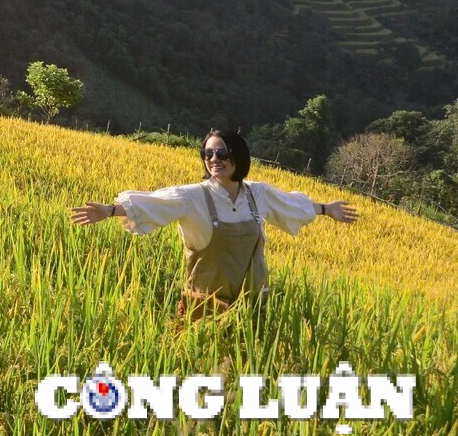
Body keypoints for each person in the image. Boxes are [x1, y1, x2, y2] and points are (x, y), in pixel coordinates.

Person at [70, 129, 359, 317]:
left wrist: (325, 209)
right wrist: (110, 211)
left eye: (221, 153)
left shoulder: (257, 193)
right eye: (208, 154)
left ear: (238, 156)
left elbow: (292, 205)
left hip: (253, 306)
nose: (213, 159)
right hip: (205, 307)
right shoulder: (193, 196)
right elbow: (155, 202)